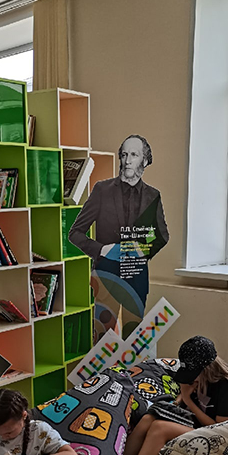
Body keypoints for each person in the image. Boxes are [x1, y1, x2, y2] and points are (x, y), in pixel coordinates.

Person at [68, 135, 168, 339]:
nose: (127, 160)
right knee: (103, 339)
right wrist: (102, 250)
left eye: (134, 155)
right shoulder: (102, 190)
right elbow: (75, 233)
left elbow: (161, 236)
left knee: (133, 339)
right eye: (124, 155)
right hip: (106, 277)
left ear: (145, 161)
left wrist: (143, 251)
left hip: (137, 278)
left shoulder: (153, 195)